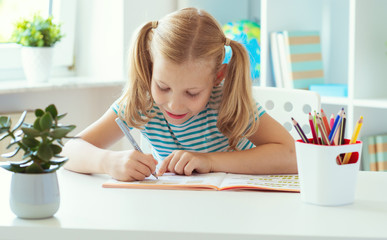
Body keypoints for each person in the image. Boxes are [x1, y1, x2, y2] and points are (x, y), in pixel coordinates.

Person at [63, 8, 297, 182]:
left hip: (238, 208)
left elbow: (292, 155)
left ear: (218, 77)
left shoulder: (227, 102)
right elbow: (69, 150)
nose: (174, 104)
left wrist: (210, 161)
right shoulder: (142, 102)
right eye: (163, 87)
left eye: (192, 93)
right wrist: (108, 162)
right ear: (150, 66)